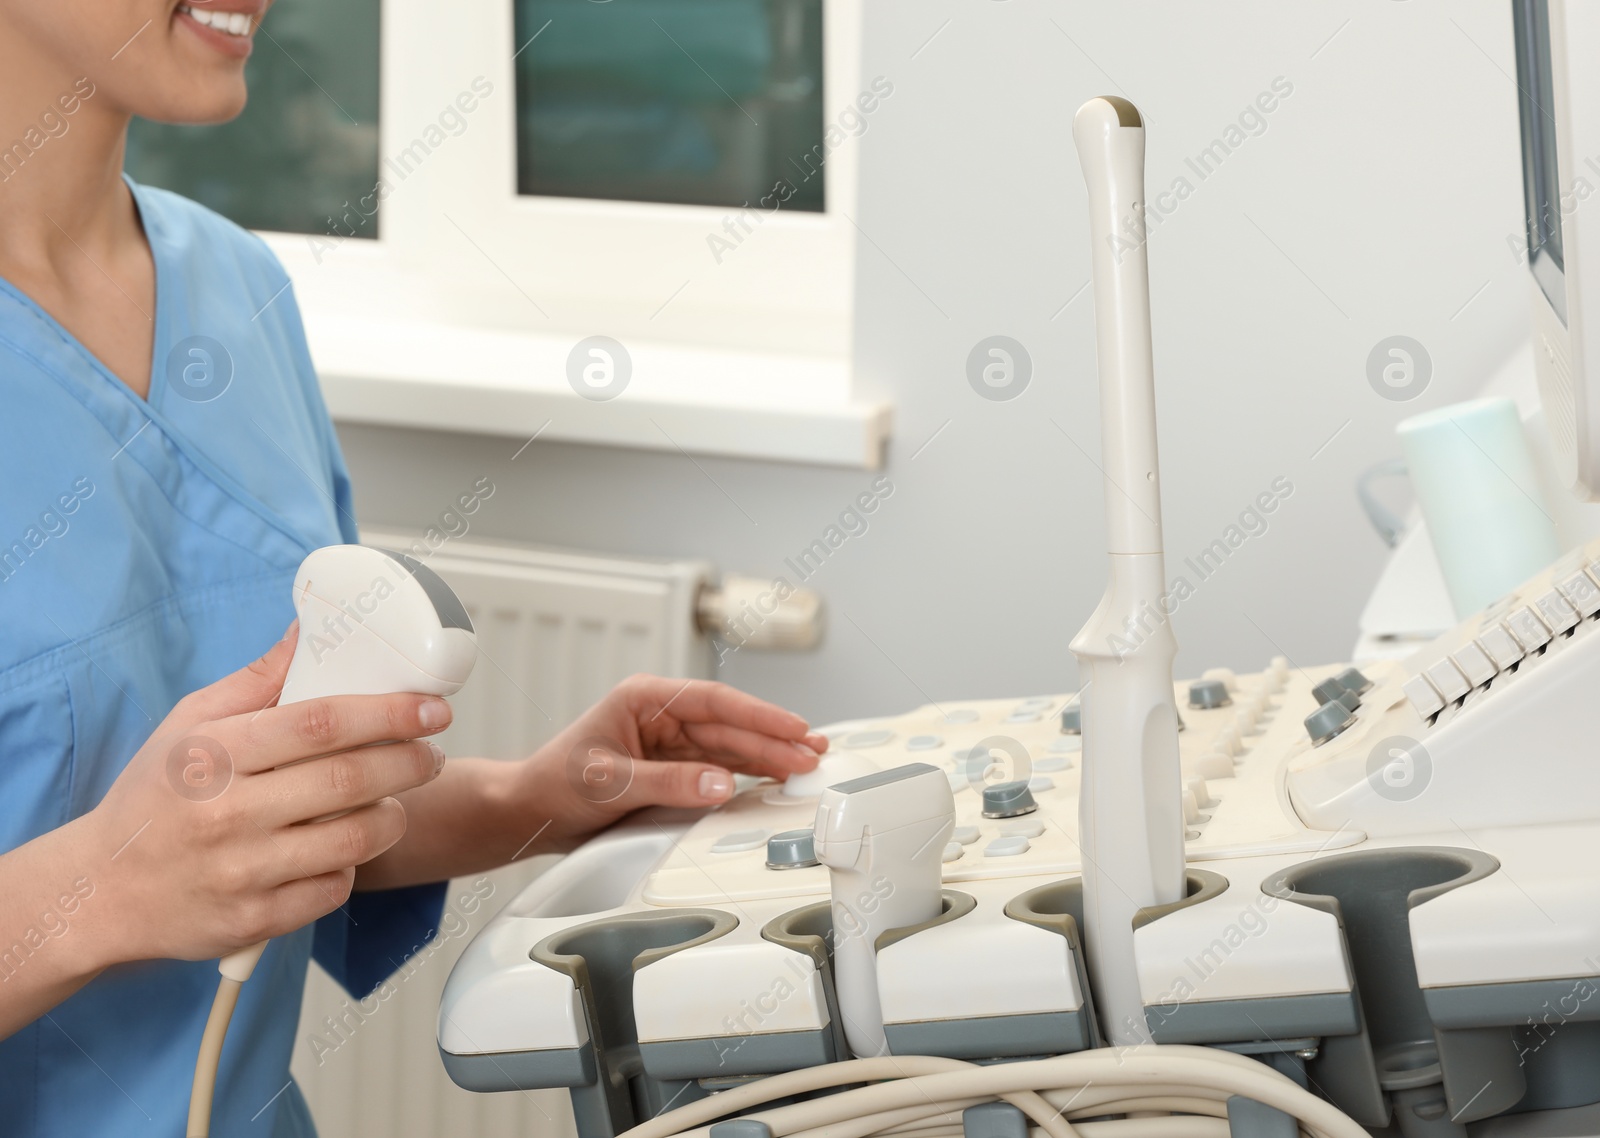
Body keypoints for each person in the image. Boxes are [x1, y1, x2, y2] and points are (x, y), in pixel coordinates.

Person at [0, 1, 827, 1133]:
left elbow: (272, 798)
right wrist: (100, 892)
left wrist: (535, 797)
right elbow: (151, 851)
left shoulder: (237, 289)